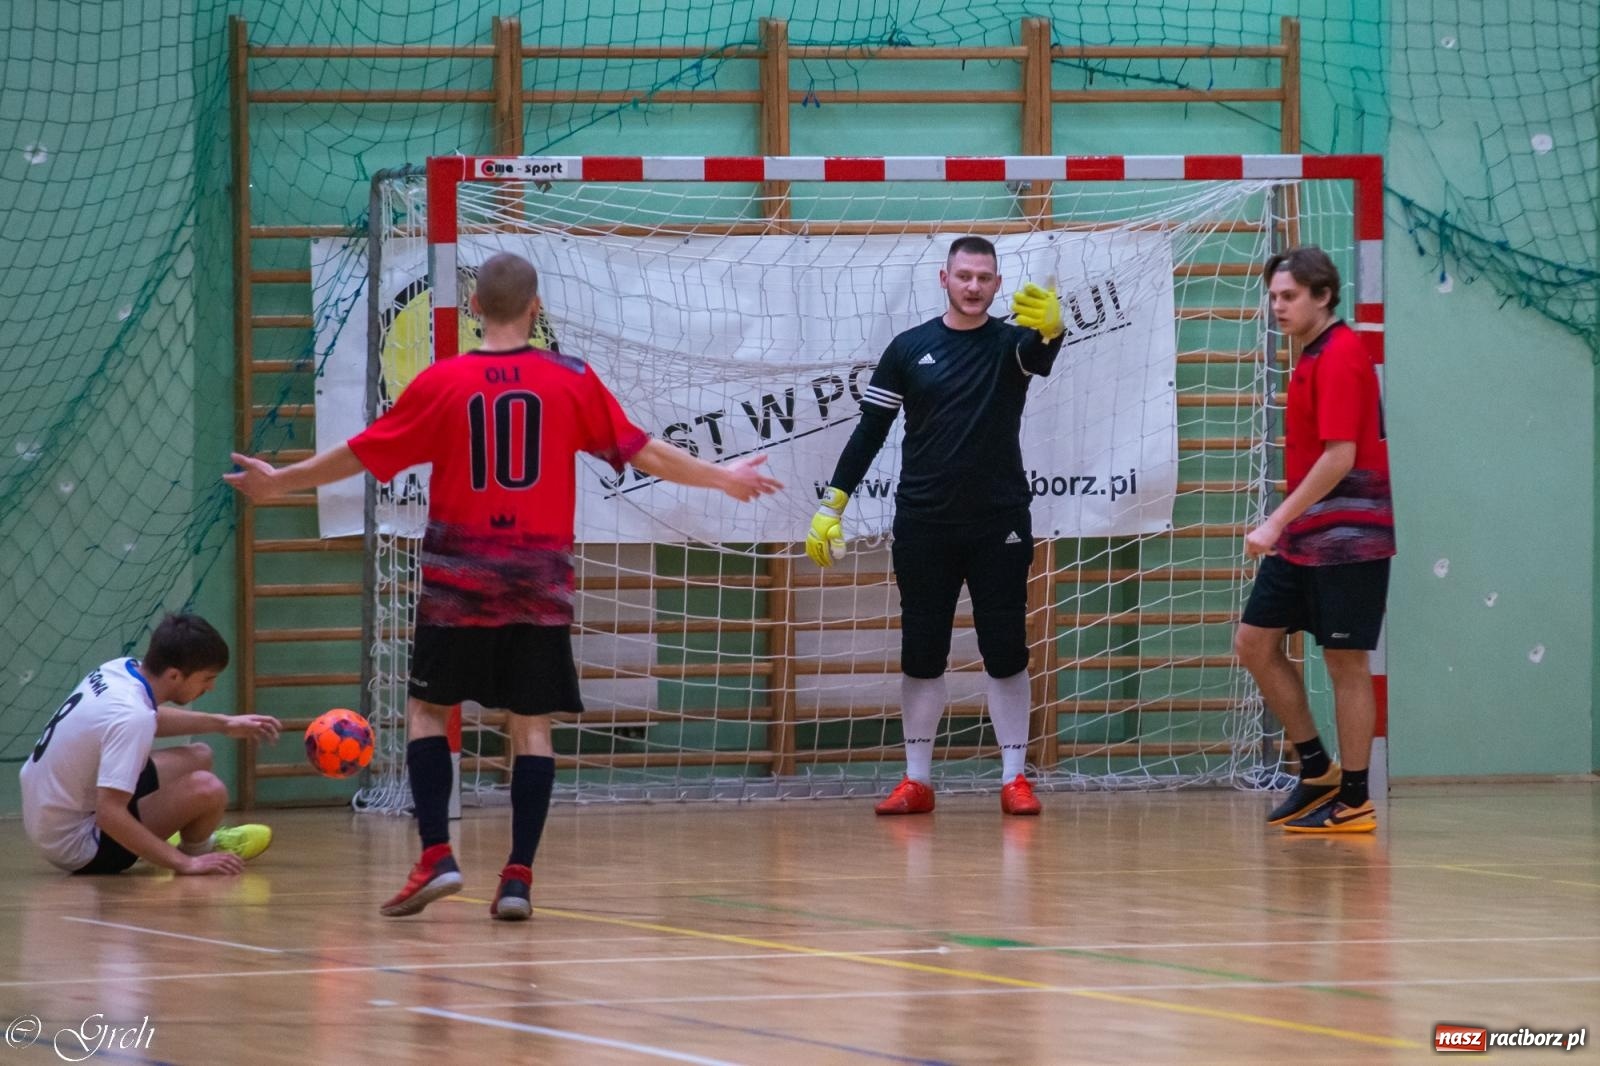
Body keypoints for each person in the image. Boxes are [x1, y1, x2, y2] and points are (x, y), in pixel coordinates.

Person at [226, 252, 782, 919]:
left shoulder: (442, 381)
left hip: (460, 578)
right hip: (537, 581)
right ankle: (517, 877)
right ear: (536, 309)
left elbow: (366, 450)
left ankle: (437, 855)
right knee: (531, 726)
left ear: (473, 312)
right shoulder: (571, 379)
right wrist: (725, 477)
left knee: (430, 712)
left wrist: (280, 482)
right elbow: (644, 452)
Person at [805, 235, 1065, 816]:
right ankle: (917, 780)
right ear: (943, 278)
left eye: (984, 277)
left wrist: (1054, 327)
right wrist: (833, 504)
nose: (974, 286)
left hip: (1000, 522)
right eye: (964, 275)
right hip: (923, 523)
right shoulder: (908, 348)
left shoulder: (1015, 344)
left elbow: (1042, 356)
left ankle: (1014, 777)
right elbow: (869, 430)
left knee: (1006, 650)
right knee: (922, 653)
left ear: (998, 285)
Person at [1234, 245, 1394, 834]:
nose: (1277, 306)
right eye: (1273, 296)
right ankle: (1317, 768)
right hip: (1307, 533)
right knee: (1254, 642)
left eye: (1289, 296)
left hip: (1349, 536)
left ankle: (1354, 799)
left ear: (1323, 296)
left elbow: (1340, 458)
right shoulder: (1310, 354)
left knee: (1345, 662)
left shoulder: (1342, 355)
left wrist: (1274, 521)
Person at [20, 613, 279, 875]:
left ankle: (160, 835)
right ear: (175, 676)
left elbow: (149, 717)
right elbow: (108, 814)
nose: (210, 687)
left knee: (200, 755)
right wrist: (185, 864)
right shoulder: (132, 718)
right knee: (207, 788)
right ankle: (198, 851)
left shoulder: (120, 669)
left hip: (49, 810)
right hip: (79, 845)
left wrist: (223, 724)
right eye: (206, 678)